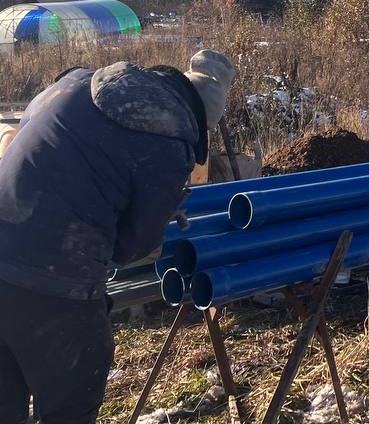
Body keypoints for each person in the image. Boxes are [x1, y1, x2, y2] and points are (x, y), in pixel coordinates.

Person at [0, 50, 236, 424]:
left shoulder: (76, 82)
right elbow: (133, 248)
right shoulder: (170, 143)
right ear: (196, 118)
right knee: (71, 405)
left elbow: (23, 134)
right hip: (58, 287)